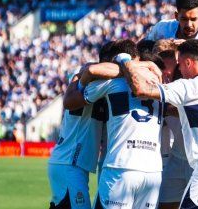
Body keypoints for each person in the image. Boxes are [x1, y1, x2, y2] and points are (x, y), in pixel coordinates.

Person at [118, 39, 198, 209]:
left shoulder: (186, 88)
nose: (179, 69)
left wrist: (125, 62)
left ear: (188, 62)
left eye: (180, 64)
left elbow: (141, 89)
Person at [64, 39, 164, 209]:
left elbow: (73, 99)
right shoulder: (157, 80)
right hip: (153, 171)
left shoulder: (109, 82)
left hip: (121, 167)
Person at [47, 43, 111, 209]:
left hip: (73, 163)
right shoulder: (94, 81)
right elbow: (88, 69)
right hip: (69, 163)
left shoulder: (95, 82)